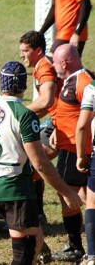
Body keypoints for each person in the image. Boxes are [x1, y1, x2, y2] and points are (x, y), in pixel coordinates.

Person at [0, 61, 83, 265]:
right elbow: (40, 163)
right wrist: (68, 193)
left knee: (37, 241)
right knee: (25, 251)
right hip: (17, 188)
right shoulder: (25, 116)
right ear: (25, 86)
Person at [49, 43, 94, 262]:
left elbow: (86, 120)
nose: (54, 66)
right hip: (68, 146)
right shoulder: (71, 80)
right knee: (85, 197)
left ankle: (75, 246)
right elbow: (68, 112)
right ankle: (76, 245)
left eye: (56, 62)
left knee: (68, 195)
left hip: (75, 150)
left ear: (64, 63)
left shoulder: (83, 82)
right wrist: (56, 128)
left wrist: (80, 153)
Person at [19, 30, 63, 223]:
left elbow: (46, 100)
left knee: (36, 161)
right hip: (56, 120)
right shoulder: (40, 65)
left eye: (26, 50)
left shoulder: (44, 67)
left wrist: (17, 113)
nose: (22, 55)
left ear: (38, 50)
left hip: (65, 123)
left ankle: (37, 213)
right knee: (34, 163)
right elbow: (48, 105)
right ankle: (38, 212)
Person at [75, 80, 95, 265]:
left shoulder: (92, 88)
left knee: (92, 203)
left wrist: (81, 155)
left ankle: (92, 255)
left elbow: (82, 126)